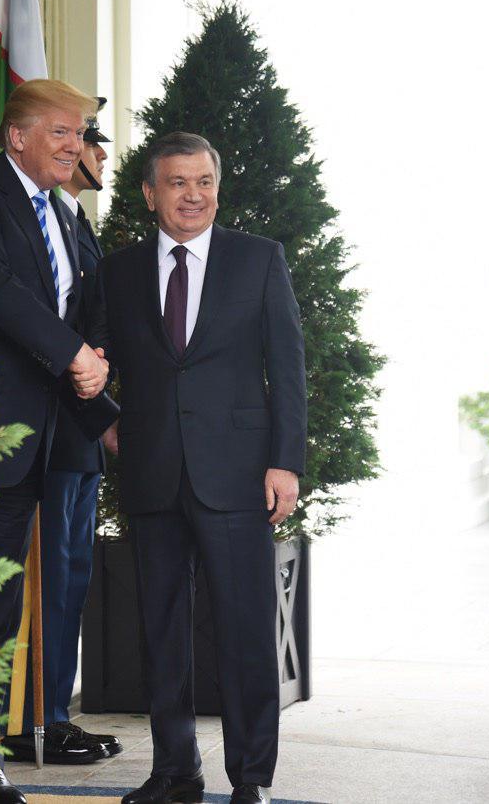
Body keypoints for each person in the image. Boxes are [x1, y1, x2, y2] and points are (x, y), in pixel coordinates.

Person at [89, 132, 307, 804]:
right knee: (160, 632)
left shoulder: (258, 261)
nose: (193, 195)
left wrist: (285, 463)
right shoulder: (117, 271)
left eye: (204, 181)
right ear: (151, 194)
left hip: (240, 476)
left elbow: (289, 369)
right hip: (152, 475)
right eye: (178, 183)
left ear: (218, 186)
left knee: (245, 632)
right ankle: (175, 771)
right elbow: (89, 365)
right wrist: (110, 429)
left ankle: (251, 780)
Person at [0, 78, 117, 804]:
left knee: (0, 603)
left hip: (44, 442)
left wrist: (99, 373)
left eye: (81, 135)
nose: (78, 147)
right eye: (63, 133)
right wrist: (76, 357)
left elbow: (87, 303)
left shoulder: (69, 214)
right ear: (16, 136)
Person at [1, 102, 121, 763]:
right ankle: (28, 722)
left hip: (77, 429)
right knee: (39, 579)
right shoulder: (37, 224)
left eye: (90, 142)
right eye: (83, 142)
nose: (94, 155)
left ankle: (52, 712)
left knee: (70, 577)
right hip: (42, 429)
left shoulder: (77, 225)